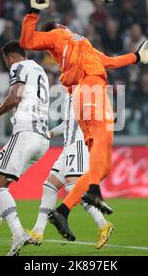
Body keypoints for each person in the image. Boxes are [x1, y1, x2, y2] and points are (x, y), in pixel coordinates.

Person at [20, 0, 148, 241]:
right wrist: (33, 12)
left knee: (95, 166)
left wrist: (136, 57)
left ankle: (60, 213)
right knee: (103, 146)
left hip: (82, 97)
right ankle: (94, 196)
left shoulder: (72, 42)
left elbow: (108, 61)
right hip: (91, 89)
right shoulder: (68, 39)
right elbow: (28, 40)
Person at [0, 40, 50, 256]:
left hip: (25, 134)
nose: (8, 66)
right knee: (1, 186)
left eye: (6, 62)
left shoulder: (18, 66)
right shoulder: (40, 70)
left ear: (10, 58)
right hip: (42, 140)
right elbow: (24, 101)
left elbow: (15, 96)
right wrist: (7, 109)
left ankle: (18, 234)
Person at [27, 92, 114, 249]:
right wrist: (51, 132)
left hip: (79, 144)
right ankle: (38, 231)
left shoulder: (84, 90)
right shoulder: (69, 93)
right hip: (68, 146)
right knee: (49, 186)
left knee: (73, 186)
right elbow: (69, 123)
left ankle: (103, 224)